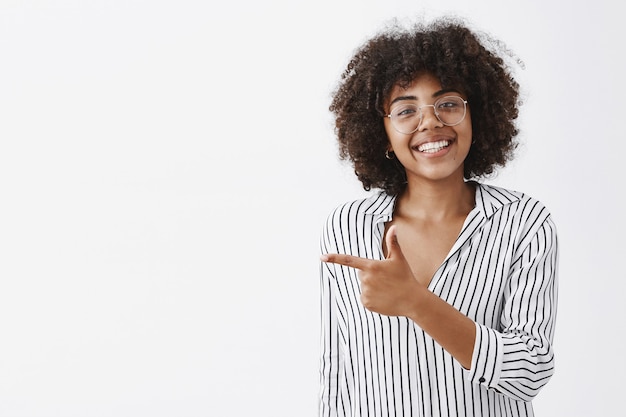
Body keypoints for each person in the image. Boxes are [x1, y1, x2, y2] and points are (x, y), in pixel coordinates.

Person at [318, 17, 559, 417]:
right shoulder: (347, 228)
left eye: (447, 104)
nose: (430, 122)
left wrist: (416, 302)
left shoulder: (524, 223)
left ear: (476, 115)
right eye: (405, 110)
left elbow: (530, 372)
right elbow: (338, 375)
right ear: (382, 134)